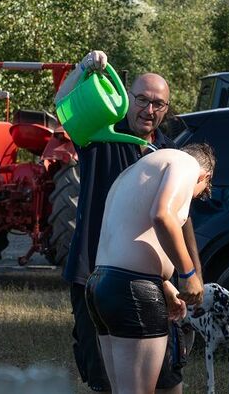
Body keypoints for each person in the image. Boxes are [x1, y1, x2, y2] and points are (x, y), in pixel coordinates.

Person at [54, 50, 203, 392]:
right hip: (95, 273)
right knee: (105, 379)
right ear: (129, 98)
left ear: (167, 109)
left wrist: (193, 272)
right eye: (142, 100)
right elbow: (63, 103)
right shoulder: (100, 134)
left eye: (158, 104)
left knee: (168, 376)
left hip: (153, 283)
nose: (148, 110)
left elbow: (181, 218)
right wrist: (86, 66)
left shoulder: (169, 151)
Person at [85, 144, 213, 394]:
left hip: (101, 285)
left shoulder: (132, 173)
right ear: (205, 177)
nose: (195, 197)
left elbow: (127, 234)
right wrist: (188, 274)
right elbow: (162, 215)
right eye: (201, 192)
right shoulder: (186, 163)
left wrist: (164, 283)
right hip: (131, 290)